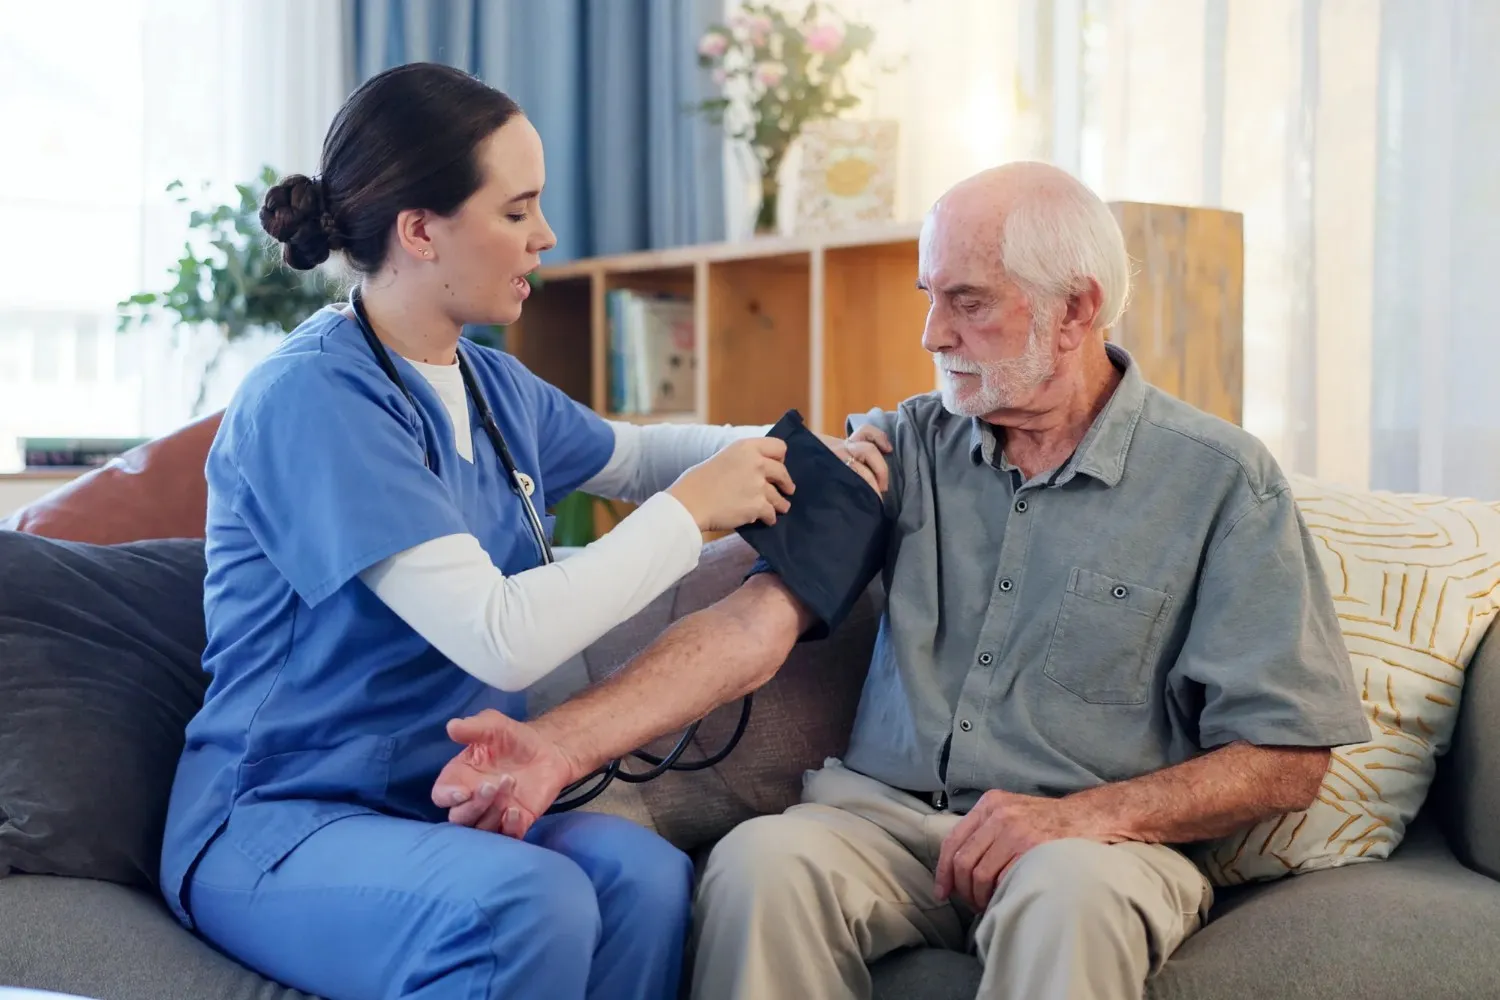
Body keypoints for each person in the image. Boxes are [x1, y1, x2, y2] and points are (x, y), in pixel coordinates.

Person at [430, 161, 1374, 1000]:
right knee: (763, 863)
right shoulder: (901, 446)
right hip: (878, 825)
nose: (929, 332)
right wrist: (553, 744)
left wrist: (1083, 815)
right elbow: (751, 625)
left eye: (967, 302)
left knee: (1068, 900)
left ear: (1078, 310)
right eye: (929, 295)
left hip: (1094, 845)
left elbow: (1291, 756)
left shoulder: (1220, 481)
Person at [156, 62, 888, 1000]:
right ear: (419, 230)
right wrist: (695, 511)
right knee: (529, 900)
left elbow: (640, 454)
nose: (545, 238)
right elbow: (500, 635)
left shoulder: (488, 382)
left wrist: (815, 450)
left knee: (648, 881)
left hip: (432, 805)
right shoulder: (314, 399)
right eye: (517, 212)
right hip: (274, 820)